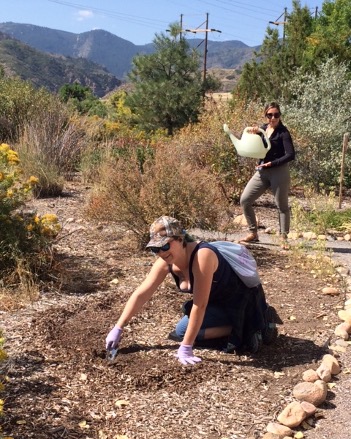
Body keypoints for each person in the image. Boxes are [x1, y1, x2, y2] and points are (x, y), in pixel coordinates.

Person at [105, 216, 277, 365]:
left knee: (186, 336)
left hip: (239, 302)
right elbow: (142, 293)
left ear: (180, 239)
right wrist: (119, 327)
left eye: (165, 246)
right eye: (155, 249)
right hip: (215, 303)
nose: (161, 252)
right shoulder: (165, 262)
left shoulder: (203, 256)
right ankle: (245, 328)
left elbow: (199, 305)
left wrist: (186, 347)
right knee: (181, 332)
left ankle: (254, 323)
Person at [239, 102, 295, 249]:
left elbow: (290, 155)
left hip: (279, 171)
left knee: (282, 206)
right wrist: (252, 131)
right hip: (262, 171)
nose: (273, 117)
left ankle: (284, 238)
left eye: (276, 114)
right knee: (245, 200)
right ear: (266, 115)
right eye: (270, 115)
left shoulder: (283, 132)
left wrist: (273, 163)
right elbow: (248, 140)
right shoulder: (263, 129)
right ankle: (253, 233)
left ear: (280, 115)